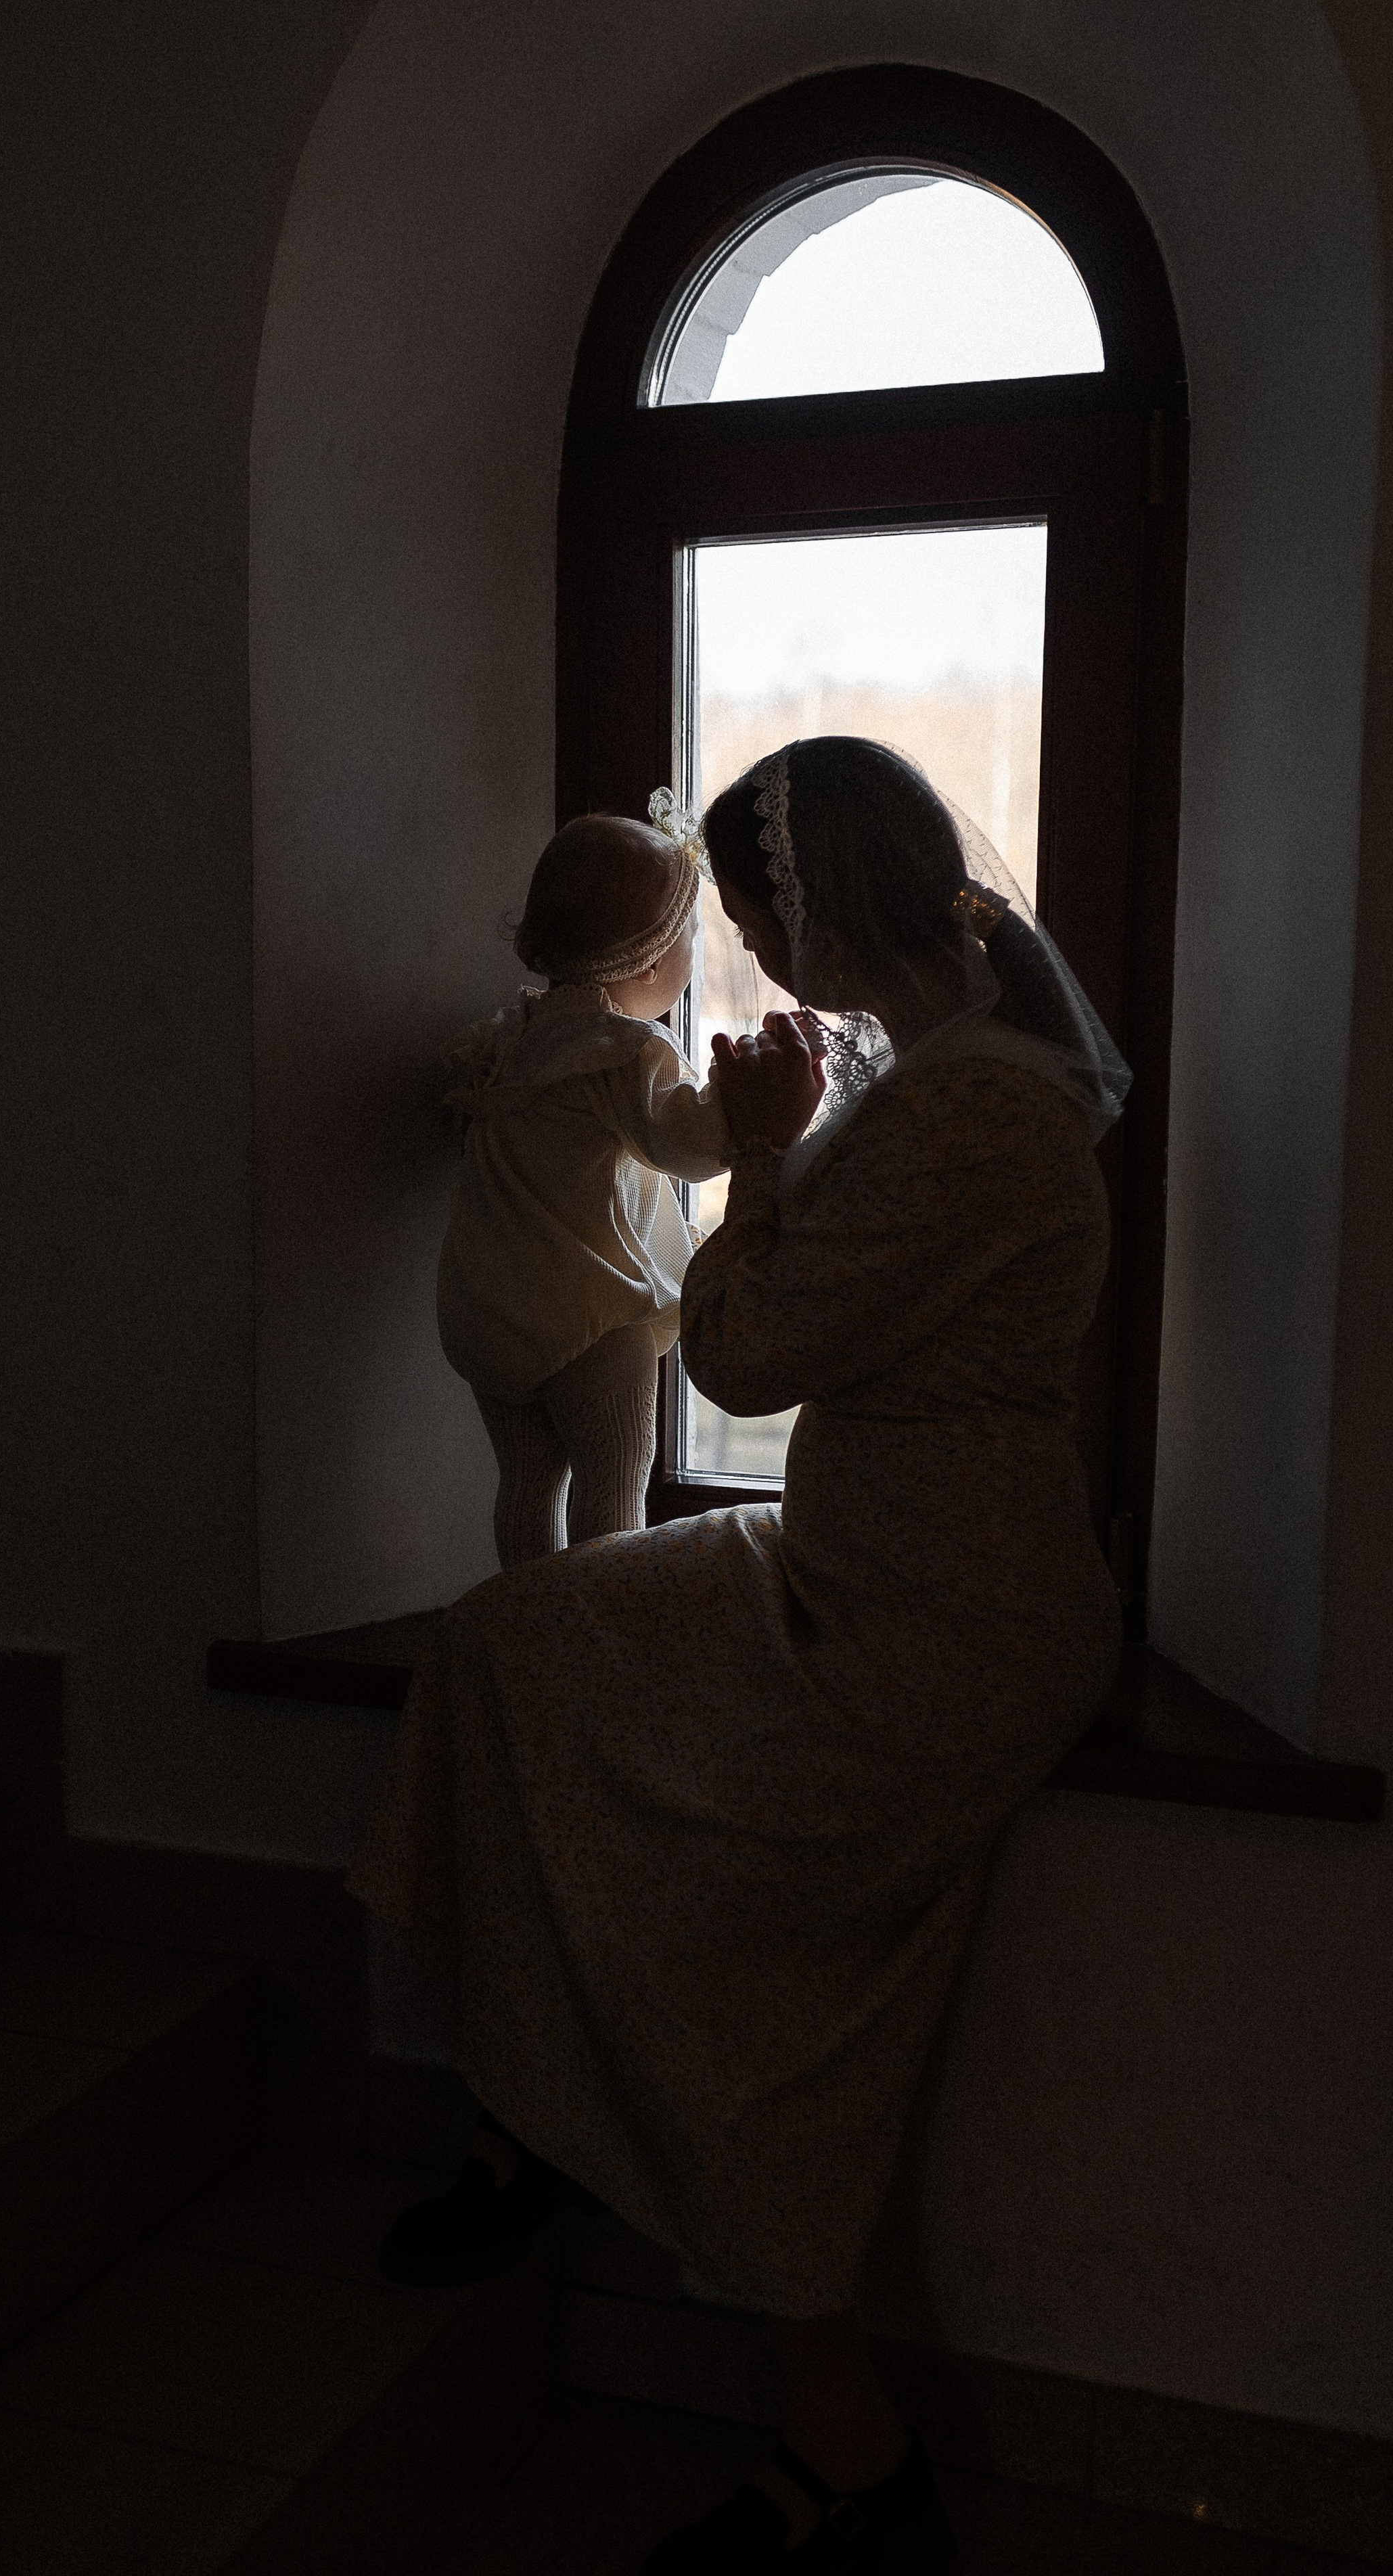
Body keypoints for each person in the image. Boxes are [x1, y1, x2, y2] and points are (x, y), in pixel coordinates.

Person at [351, 737, 1128, 2573]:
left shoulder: (975, 1111)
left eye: (762, 919)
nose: (761, 969)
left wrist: (760, 1164)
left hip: (928, 1627)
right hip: (870, 1563)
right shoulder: (952, 1067)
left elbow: (745, 1357)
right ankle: (516, 2117)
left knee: (742, 1987)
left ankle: (849, 2454)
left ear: (814, 904)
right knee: (507, 1645)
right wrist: (783, 1151)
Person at [437, 804, 731, 1566]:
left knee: (526, 1485)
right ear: (648, 963)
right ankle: (604, 1646)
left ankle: (528, 1636)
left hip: (488, 1310)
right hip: (591, 1314)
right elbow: (689, 1149)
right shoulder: (624, 1051)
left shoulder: (511, 1037)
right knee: (612, 1491)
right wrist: (750, 1104)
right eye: (692, 936)